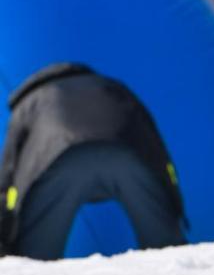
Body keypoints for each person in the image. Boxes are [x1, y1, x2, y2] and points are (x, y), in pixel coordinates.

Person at [1, 62, 186, 260]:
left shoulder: (29, 102)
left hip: (57, 162)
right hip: (127, 152)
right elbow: (152, 139)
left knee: (35, 260)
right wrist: (173, 202)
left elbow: (8, 172)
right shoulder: (111, 86)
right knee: (166, 248)